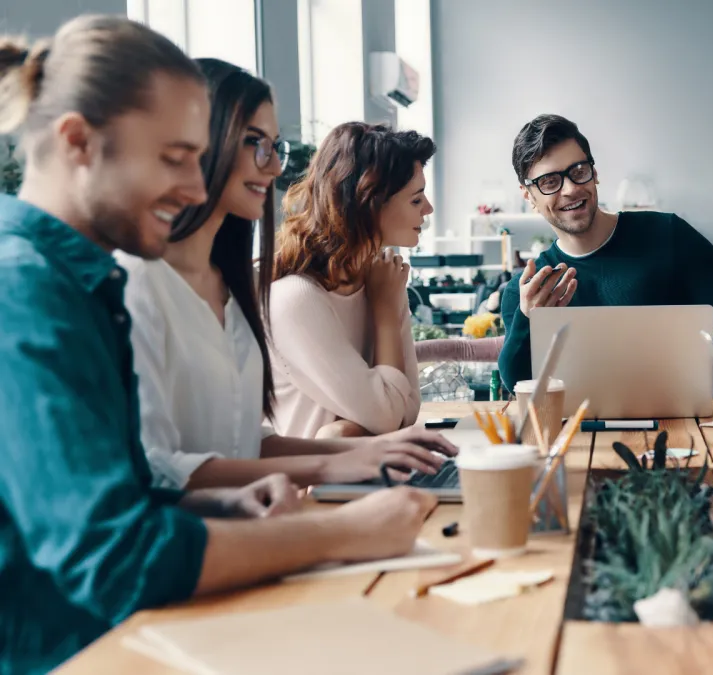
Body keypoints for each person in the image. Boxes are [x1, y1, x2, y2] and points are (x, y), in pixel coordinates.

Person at [0, 17, 435, 673]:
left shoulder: (82, 281)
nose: (198, 189)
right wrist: (342, 531)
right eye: (175, 158)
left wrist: (212, 500)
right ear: (78, 143)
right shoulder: (26, 292)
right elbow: (114, 557)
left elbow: (128, 487)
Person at [118, 59, 455, 489]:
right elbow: (160, 471)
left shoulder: (233, 286)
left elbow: (247, 442)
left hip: (264, 517)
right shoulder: (139, 283)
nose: (277, 166)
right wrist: (344, 454)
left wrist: (363, 451)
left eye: (276, 146)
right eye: (257, 143)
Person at [495, 114, 713, 394]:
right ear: (528, 196)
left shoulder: (667, 234)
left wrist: (685, 384)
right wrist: (527, 317)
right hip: (578, 434)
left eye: (578, 170)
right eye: (549, 182)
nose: (570, 189)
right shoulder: (530, 291)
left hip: (679, 430)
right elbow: (517, 382)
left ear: (595, 172)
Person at [270, 122, 437, 440]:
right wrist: (385, 310)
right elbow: (389, 415)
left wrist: (350, 427)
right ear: (370, 203)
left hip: (373, 472)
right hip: (311, 487)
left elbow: (408, 409)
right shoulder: (297, 298)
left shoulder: (381, 277)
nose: (428, 208)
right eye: (416, 200)